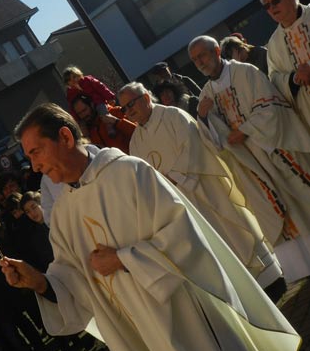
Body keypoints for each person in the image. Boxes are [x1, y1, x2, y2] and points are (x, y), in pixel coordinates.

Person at [0, 103, 310, 351]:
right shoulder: (63, 215)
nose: (35, 166)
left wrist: (125, 258)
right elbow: (73, 280)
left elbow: (186, 238)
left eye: (35, 152)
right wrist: (40, 282)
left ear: (64, 136)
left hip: (196, 328)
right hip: (153, 347)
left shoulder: (129, 173)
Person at [121, 82, 285, 302]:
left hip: (205, 189)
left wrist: (174, 179)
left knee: (233, 232)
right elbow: (142, 177)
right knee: (214, 247)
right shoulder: (135, 143)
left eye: (131, 104)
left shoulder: (173, 116)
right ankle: (248, 293)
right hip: (180, 204)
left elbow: (193, 148)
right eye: (124, 108)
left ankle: (271, 279)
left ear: (146, 98)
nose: (128, 111)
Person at [188, 35, 310, 282]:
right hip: (249, 165)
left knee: (300, 197)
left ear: (216, 51)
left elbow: (271, 106)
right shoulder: (205, 96)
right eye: (195, 60)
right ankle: (301, 268)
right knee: (273, 211)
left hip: (274, 150)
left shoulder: (245, 72)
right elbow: (212, 144)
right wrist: (203, 118)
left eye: (202, 55)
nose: (200, 62)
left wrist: (244, 130)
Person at [260, 0, 310, 131]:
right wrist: (294, 78)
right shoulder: (274, 44)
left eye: (275, 1)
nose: (272, 7)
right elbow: (274, 80)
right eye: (267, 5)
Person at [71, 94, 135, 153]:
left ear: (91, 105)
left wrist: (116, 121)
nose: (84, 115)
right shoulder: (88, 130)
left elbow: (137, 131)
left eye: (84, 110)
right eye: (80, 113)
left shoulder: (115, 112)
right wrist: (87, 138)